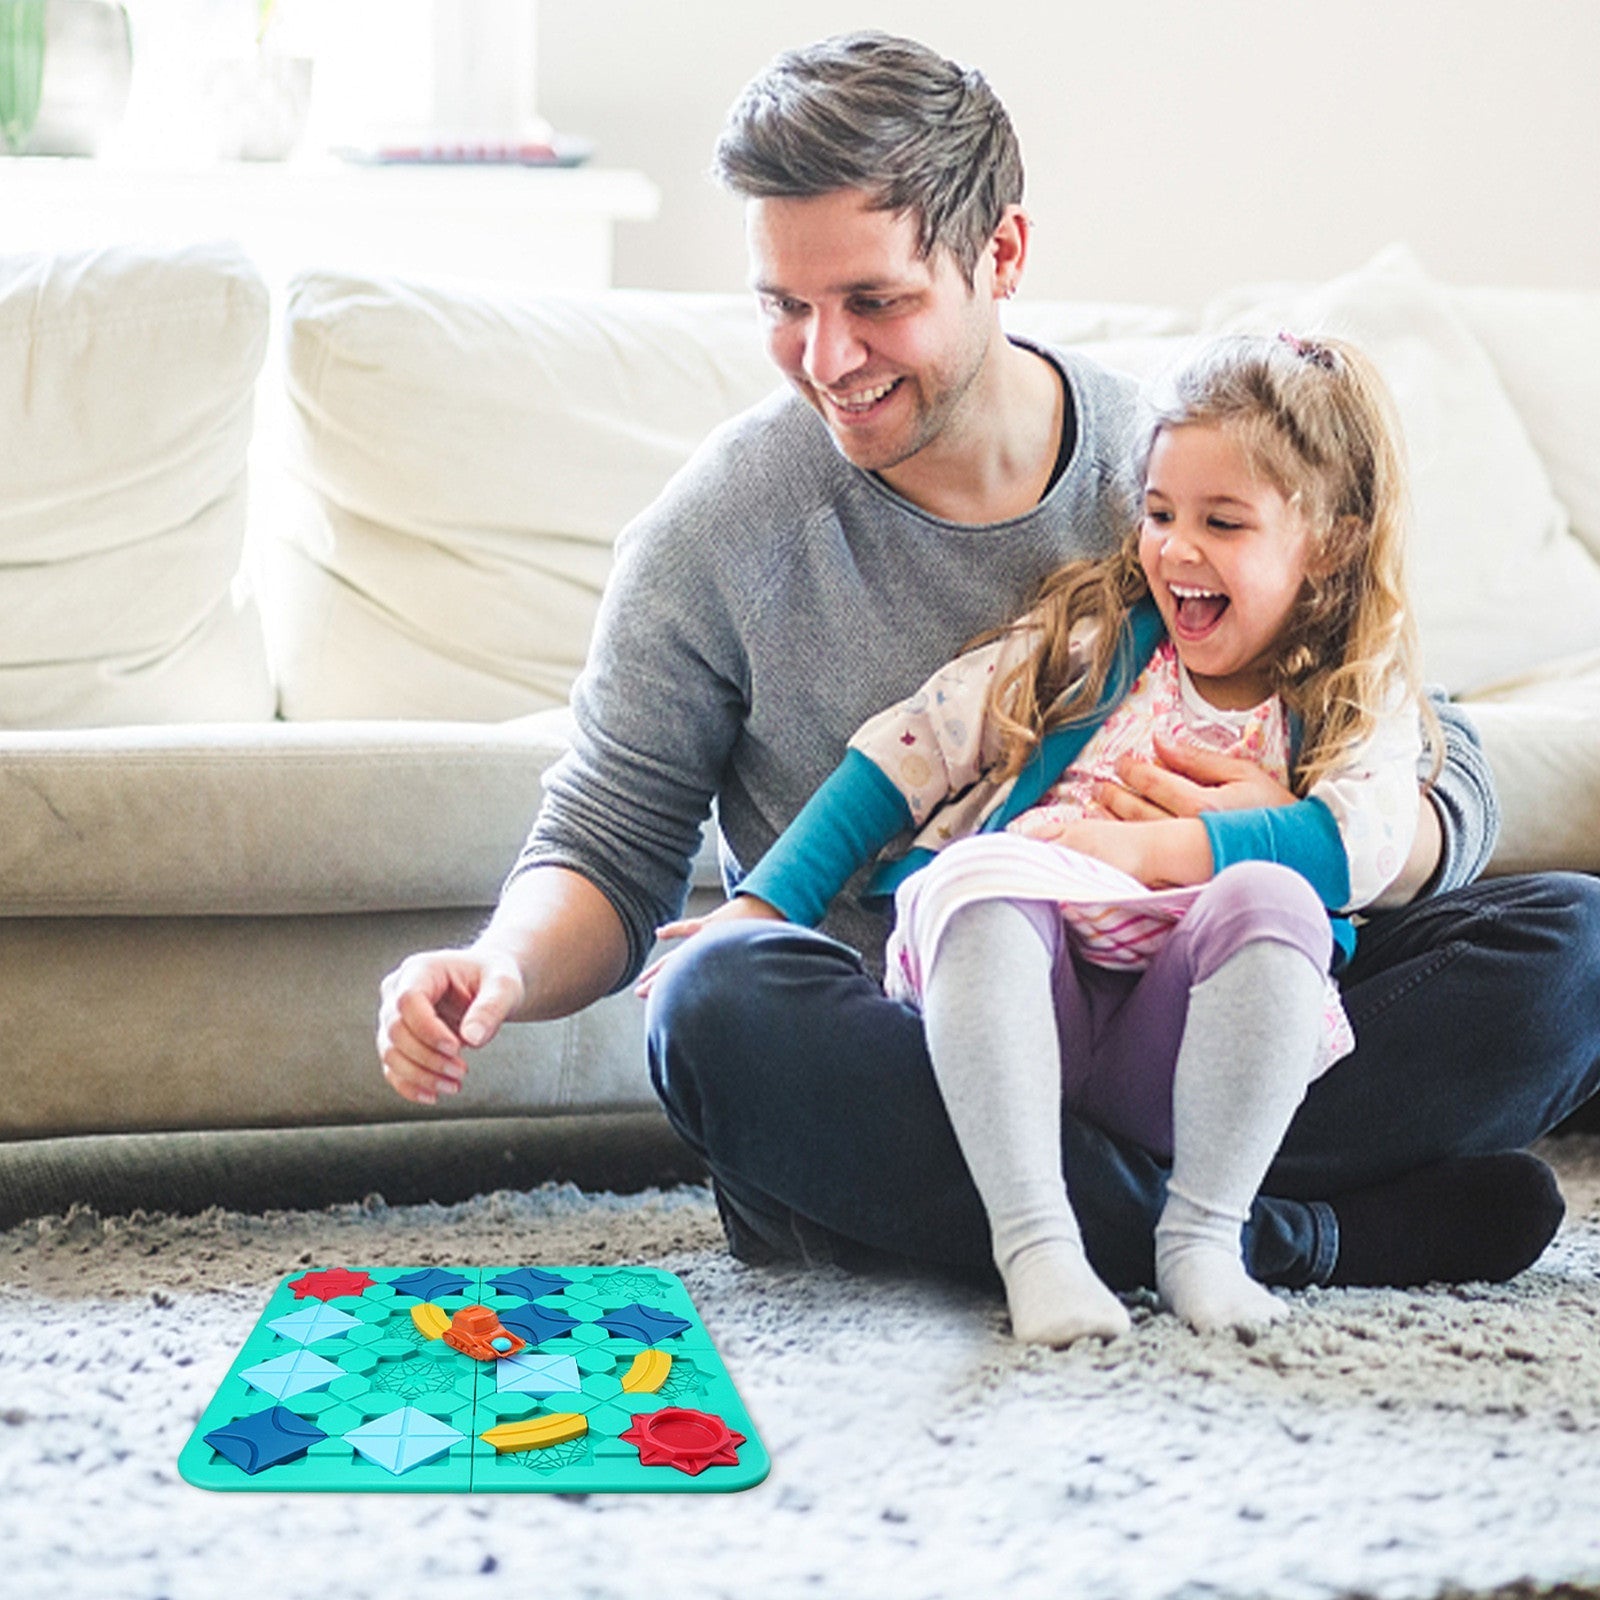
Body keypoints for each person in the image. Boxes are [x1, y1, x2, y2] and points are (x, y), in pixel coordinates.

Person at [376, 32, 1597, 1300]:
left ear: (1000, 255)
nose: (826, 358)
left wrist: (1279, 840)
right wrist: (503, 966)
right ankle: (1289, 1234)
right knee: (715, 1010)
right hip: (929, 1038)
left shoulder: (1177, 465)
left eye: (874, 301)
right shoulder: (718, 534)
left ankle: (1043, 1219)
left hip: (1216, 991)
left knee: (1575, 947)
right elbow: (605, 844)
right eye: (784, 308)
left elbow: (1426, 746)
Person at [638, 331, 1440, 1344]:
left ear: (1327, 540)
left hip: (1191, 1040)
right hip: (1018, 1015)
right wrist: (762, 907)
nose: (1176, 549)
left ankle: (1204, 1237)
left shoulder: (1356, 694)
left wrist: (1158, 853)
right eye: (1158, 514)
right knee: (967, 884)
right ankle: (1039, 1245)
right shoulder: (1093, 641)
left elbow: (1367, 838)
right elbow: (911, 750)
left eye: (1222, 522)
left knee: (1309, 906)